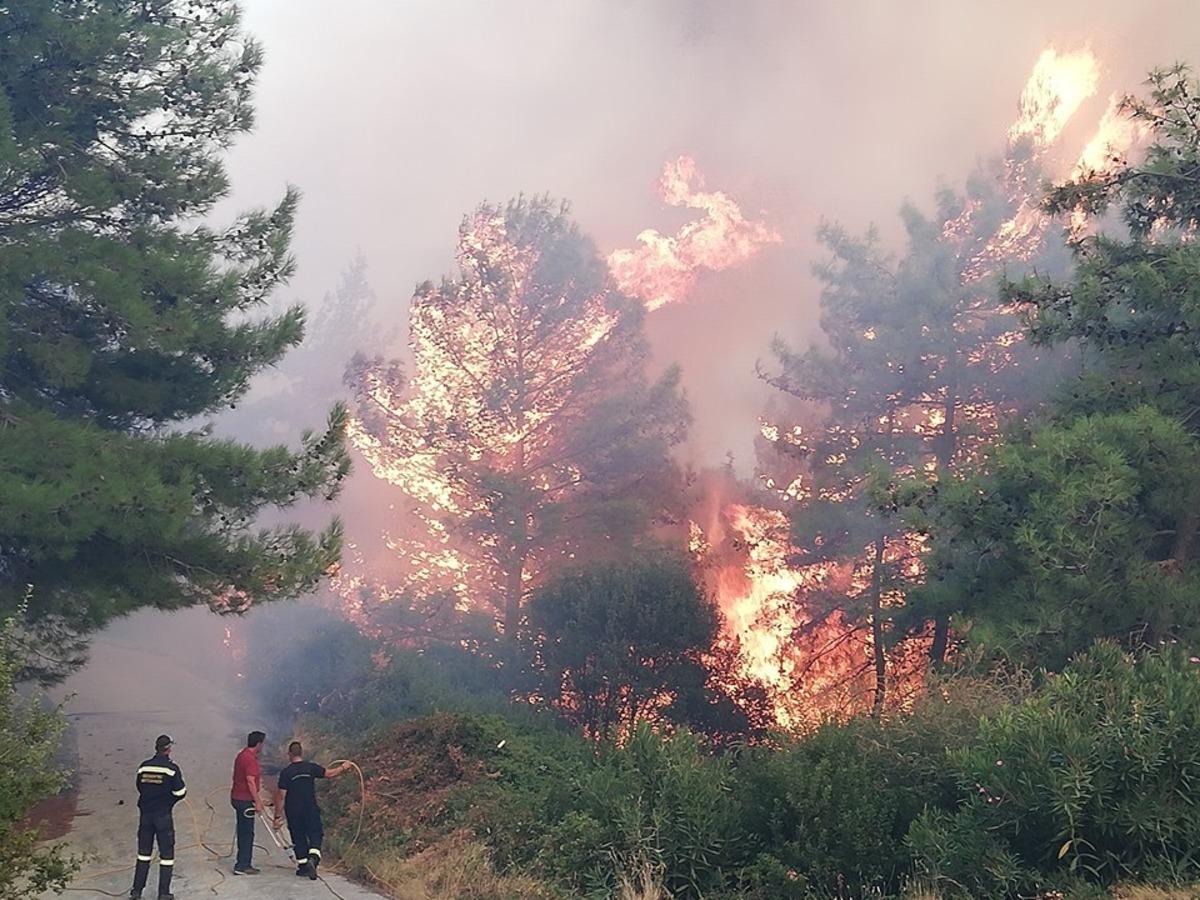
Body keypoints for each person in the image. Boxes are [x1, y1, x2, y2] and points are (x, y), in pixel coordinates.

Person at [272, 741, 350, 880]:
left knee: (298, 837)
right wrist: (343, 767)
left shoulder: (286, 772)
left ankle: (303, 867)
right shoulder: (310, 767)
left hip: (293, 811)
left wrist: (277, 817)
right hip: (310, 808)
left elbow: (281, 796)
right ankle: (313, 858)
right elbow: (329, 773)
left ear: (289, 754)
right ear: (301, 753)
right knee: (315, 833)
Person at [130, 734, 186, 900]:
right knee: (167, 855)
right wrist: (168, 801)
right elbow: (180, 792)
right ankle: (163, 893)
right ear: (168, 749)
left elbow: (139, 786)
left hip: (145, 816)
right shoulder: (171, 769)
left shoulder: (144, 767)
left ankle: (137, 891)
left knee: (143, 854)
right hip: (163, 816)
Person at [230, 730, 267, 875]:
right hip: (245, 800)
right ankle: (243, 865)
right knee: (247, 832)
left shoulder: (242, 755)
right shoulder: (250, 759)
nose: (263, 746)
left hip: (237, 797)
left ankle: (243, 862)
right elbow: (250, 781)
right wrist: (257, 801)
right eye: (262, 743)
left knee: (243, 830)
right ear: (258, 744)